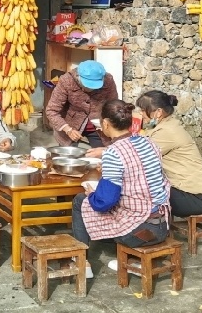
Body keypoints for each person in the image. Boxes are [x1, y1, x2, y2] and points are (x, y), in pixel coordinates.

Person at [72, 99, 170, 275]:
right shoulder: (149, 142)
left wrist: (92, 194)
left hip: (139, 231)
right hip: (164, 224)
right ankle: (132, 259)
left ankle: (82, 263)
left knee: (81, 201)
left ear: (105, 123)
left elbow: (105, 202)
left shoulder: (113, 152)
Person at [137, 90, 202, 218]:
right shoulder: (165, 126)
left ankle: (146, 227)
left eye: (143, 110)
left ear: (158, 112)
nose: (140, 113)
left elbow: (137, 155)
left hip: (194, 198)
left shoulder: (167, 131)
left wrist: (106, 151)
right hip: (191, 193)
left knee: (136, 189)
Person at [44, 60, 118, 148]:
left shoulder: (108, 80)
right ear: (78, 77)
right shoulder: (67, 80)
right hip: (70, 125)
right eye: (87, 86)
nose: (90, 89)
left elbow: (113, 105)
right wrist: (67, 129)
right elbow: (52, 111)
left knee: (101, 153)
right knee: (69, 154)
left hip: (98, 127)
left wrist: (108, 123)